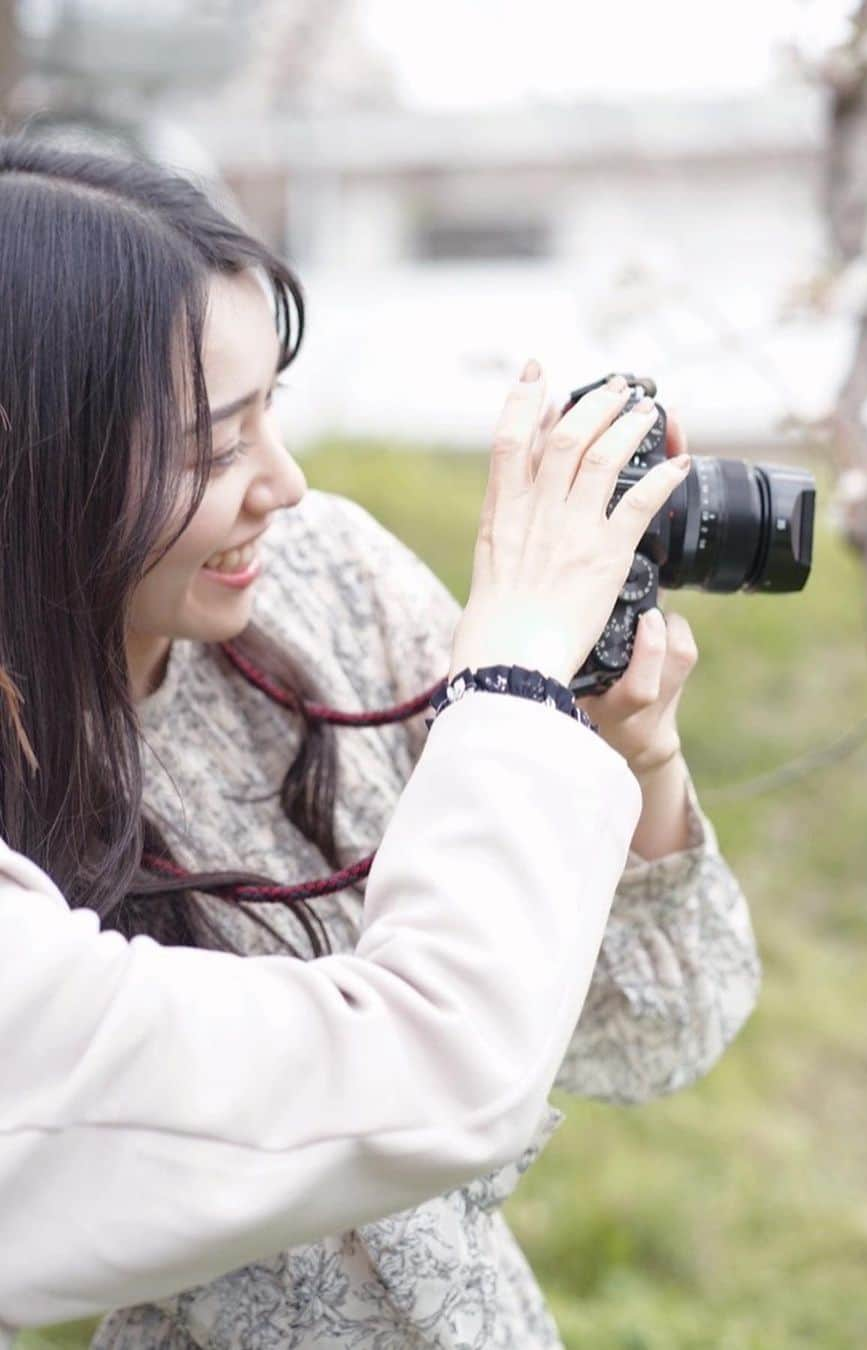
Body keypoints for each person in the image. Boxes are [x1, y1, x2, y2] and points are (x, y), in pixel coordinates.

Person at [0, 132, 761, 1347]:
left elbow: (655, 1029)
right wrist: (507, 685)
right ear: (28, 463)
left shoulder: (327, 576)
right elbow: (412, 1071)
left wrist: (633, 756)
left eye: (273, 414)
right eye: (212, 444)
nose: (283, 484)